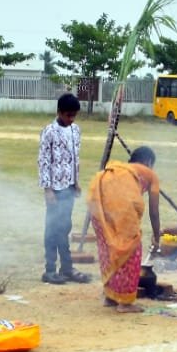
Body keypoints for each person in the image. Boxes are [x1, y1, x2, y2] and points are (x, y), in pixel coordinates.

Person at [87, 146, 160, 313]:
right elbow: (154, 212)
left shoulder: (117, 170)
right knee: (131, 250)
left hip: (97, 201)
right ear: (148, 162)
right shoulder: (150, 174)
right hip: (122, 208)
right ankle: (125, 303)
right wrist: (157, 237)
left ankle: (110, 296)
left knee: (110, 247)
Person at [38, 93, 90, 285]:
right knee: (52, 229)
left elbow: (76, 157)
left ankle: (67, 268)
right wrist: (47, 189)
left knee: (64, 227)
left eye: (74, 116)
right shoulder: (49, 131)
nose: (71, 119)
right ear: (59, 112)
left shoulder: (76, 130)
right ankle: (50, 270)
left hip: (68, 186)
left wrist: (76, 181)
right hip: (54, 189)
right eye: (68, 115)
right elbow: (43, 161)